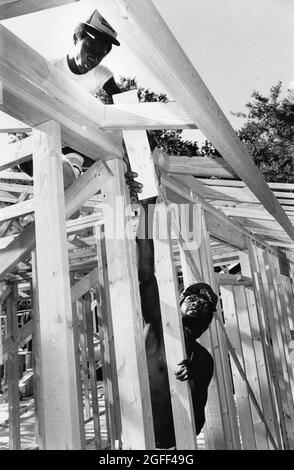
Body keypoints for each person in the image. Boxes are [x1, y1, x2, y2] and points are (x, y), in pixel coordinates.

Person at [136, 198, 217, 449]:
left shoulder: (202, 360)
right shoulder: (157, 326)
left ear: (207, 321)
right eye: (191, 297)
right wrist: (146, 210)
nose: (197, 303)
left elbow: (198, 414)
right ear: (180, 302)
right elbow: (146, 276)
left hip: (178, 445)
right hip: (140, 439)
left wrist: (194, 380)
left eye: (205, 305)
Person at [19, 9, 122, 187]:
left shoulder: (101, 73)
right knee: (25, 156)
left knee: (98, 142)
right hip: (49, 133)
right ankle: (62, 173)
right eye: (90, 47)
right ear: (76, 39)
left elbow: (124, 105)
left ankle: (70, 173)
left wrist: (145, 147)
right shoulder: (52, 69)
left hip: (75, 140)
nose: (94, 58)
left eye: (101, 54)